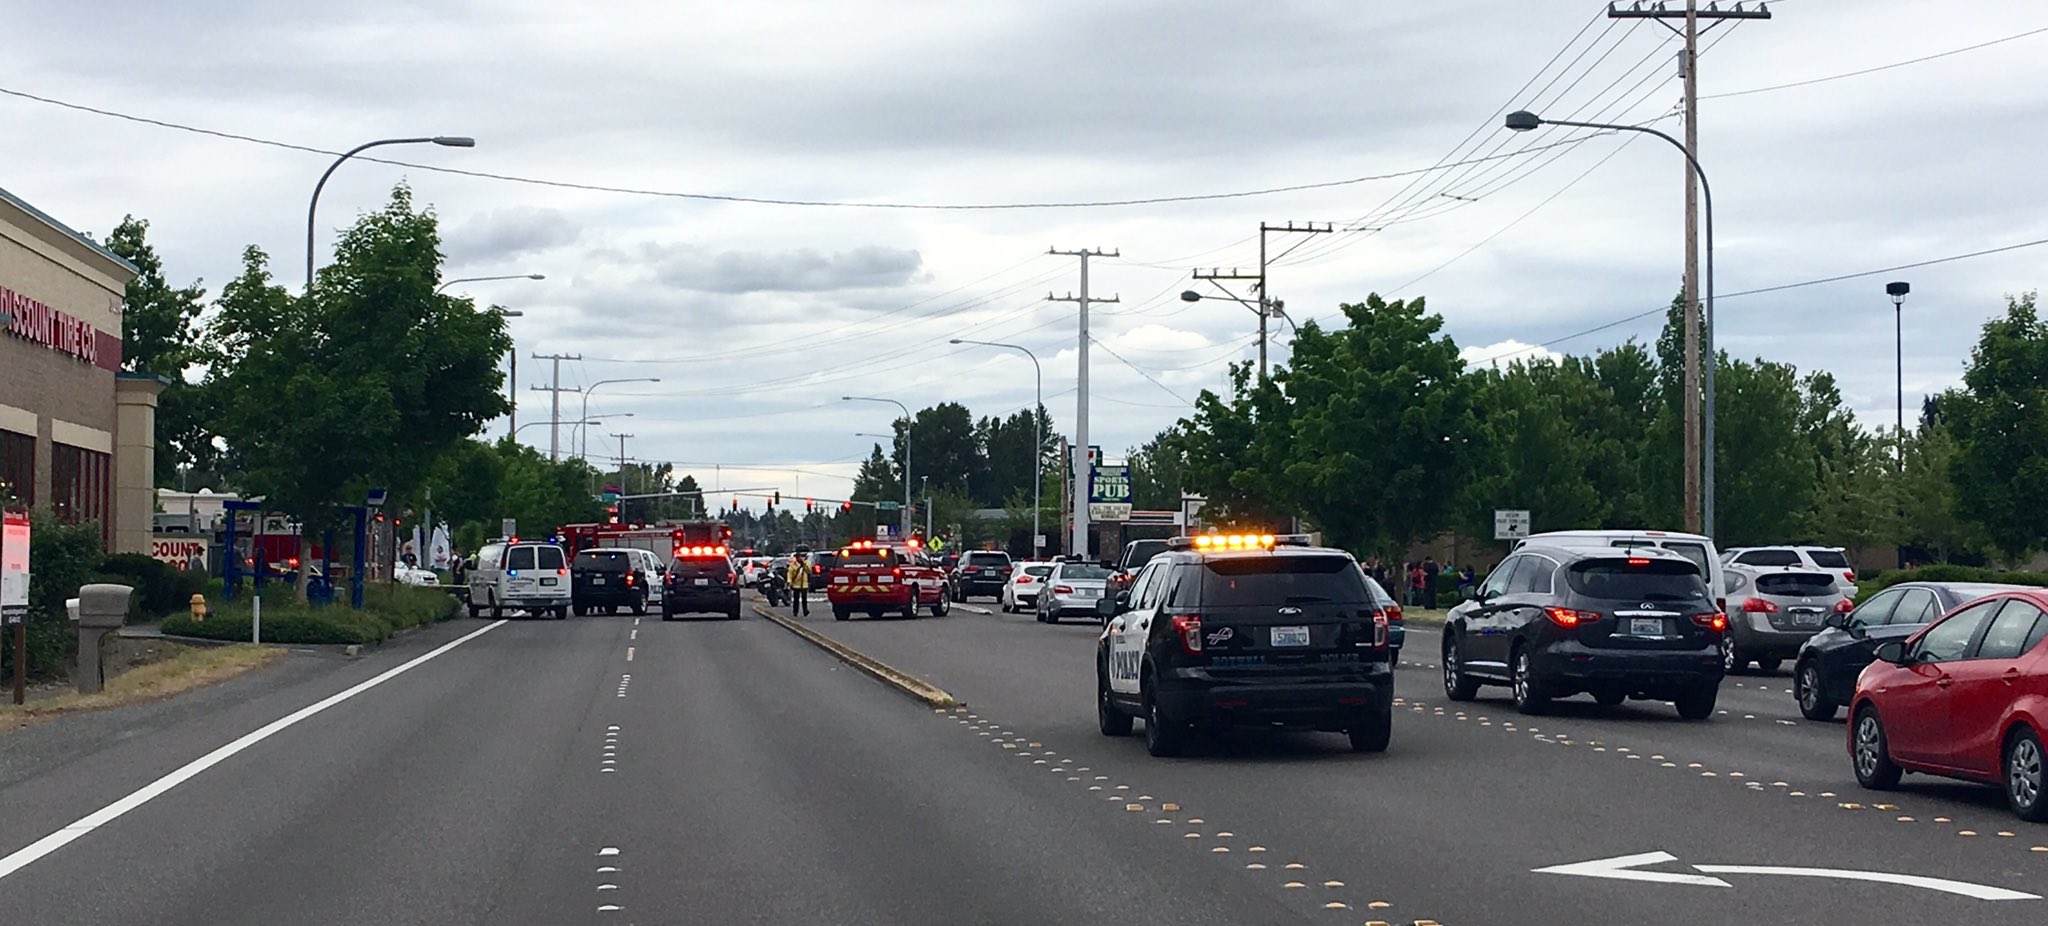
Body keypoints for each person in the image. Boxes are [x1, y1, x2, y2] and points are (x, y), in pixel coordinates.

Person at [785, 551, 812, 616]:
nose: (799, 558)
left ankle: (805, 610)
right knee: (796, 599)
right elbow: (790, 574)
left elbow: (809, 571)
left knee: (804, 598)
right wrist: (789, 581)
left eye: (800, 557)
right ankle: (795, 611)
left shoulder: (805, 563)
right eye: (797, 557)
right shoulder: (793, 565)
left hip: (804, 584)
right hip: (796, 584)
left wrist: (804, 564)